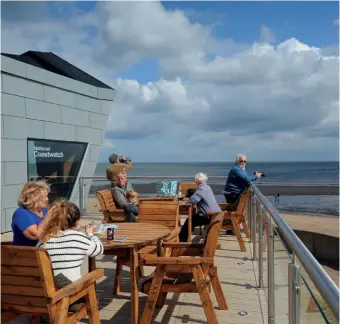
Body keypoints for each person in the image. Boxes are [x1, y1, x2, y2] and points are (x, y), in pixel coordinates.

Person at [38, 200, 103, 288]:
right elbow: (98, 250)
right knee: (95, 274)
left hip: (51, 288)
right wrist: (90, 234)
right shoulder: (78, 237)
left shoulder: (46, 240)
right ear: (77, 222)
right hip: (71, 289)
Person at [179, 173, 221, 242]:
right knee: (192, 218)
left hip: (208, 216)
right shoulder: (207, 187)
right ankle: (186, 235)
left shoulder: (201, 188)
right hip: (215, 214)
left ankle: (182, 241)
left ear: (196, 181)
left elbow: (193, 200)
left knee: (189, 221)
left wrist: (187, 201)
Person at [12, 181, 50, 246]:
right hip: (27, 253)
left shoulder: (43, 210)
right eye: (44, 196)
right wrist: (49, 216)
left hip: (44, 250)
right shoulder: (21, 214)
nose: (47, 199)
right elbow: (37, 235)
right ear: (34, 197)